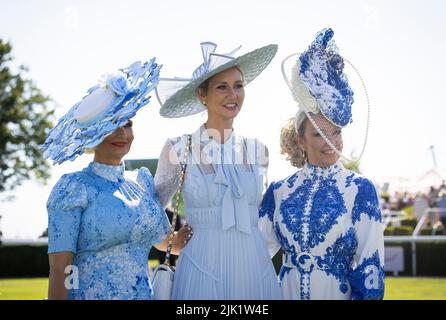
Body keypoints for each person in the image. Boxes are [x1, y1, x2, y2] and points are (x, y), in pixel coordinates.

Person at [43, 59, 192, 300]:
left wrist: (201, 228)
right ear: (93, 135)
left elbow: (164, 243)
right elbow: (60, 268)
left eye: (128, 124)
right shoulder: (73, 188)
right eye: (112, 126)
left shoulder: (142, 181)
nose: (122, 133)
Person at [259, 28, 385, 300]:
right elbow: (254, 256)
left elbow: (370, 266)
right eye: (319, 133)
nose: (331, 142)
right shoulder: (279, 192)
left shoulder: (360, 190)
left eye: (336, 132)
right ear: (300, 140)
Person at [154, 42, 282, 299]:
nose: (232, 95)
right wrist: (169, 242)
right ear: (203, 94)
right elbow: (148, 212)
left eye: (238, 85)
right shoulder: (178, 149)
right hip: (200, 269)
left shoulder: (259, 151)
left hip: (253, 270)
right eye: (222, 86)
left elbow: (266, 217)